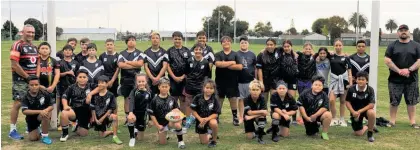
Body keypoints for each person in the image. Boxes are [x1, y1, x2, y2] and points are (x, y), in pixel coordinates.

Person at [384, 24, 420, 128]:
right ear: (398, 33)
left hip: (412, 79)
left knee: (411, 101)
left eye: (405, 30)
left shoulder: (416, 45)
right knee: (394, 101)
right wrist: (399, 71)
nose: (403, 32)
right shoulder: (392, 45)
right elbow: (387, 60)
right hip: (395, 79)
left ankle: (413, 122)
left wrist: (409, 70)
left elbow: (419, 61)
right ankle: (392, 121)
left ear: (409, 32)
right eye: (401, 30)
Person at [9, 24, 39, 140]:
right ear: (22, 32)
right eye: (28, 32)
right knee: (18, 103)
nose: (31, 34)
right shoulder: (17, 45)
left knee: (32, 103)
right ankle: (12, 130)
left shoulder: (34, 47)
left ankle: (30, 127)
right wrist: (28, 78)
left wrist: (35, 78)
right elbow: (14, 65)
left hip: (32, 81)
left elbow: (36, 64)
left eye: (32, 32)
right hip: (21, 80)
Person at [147, 77, 186, 149]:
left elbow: (177, 110)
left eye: (166, 87)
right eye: (162, 87)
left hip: (170, 122)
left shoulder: (172, 99)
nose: (164, 88)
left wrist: (177, 111)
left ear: (169, 87)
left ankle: (180, 141)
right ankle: (165, 133)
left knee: (177, 124)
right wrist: (158, 125)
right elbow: (152, 115)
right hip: (161, 124)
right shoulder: (154, 100)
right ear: (159, 87)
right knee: (163, 143)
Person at [60, 70, 97, 141]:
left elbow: (101, 87)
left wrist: (90, 94)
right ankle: (65, 134)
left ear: (87, 78)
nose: (82, 79)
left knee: (83, 134)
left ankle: (77, 126)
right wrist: (65, 105)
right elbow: (64, 96)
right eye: (80, 77)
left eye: (84, 77)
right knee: (64, 113)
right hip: (74, 110)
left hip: (86, 112)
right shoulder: (71, 87)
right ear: (76, 78)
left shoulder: (91, 85)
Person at [214, 36, 243, 126]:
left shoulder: (236, 54)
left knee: (233, 99)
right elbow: (218, 64)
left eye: (228, 41)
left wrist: (225, 64)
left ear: (231, 42)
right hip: (220, 81)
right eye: (224, 41)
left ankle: (234, 117)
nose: (226, 43)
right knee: (219, 99)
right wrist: (232, 62)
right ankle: (216, 117)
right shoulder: (218, 54)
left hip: (232, 81)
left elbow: (240, 67)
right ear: (221, 43)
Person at [117, 35, 144, 125]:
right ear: (126, 42)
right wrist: (134, 65)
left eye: (133, 40)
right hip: (125, 79)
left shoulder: (140, 53)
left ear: (135, 42)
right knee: (127, 99)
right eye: (129, 40)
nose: (131, 41)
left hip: (137, 79)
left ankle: (136, 117)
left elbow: (140, 64)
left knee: (137, 98)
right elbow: (120, 65)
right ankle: (127, 117)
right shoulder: (122, 53)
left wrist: (128, 62)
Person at [21, 75, 54, 144]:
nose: (34, 86)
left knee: (46, 114)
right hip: (31, 119)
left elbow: (51, 106)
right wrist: (40, 111)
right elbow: (24, 111)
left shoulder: (44, 93)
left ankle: (45, 136)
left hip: (41, 116)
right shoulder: (25, 96)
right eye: (31, 85)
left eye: (36, 84)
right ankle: (37, 129)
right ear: (28, 85)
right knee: (33, 138)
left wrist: (46, 110)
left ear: (39, 85)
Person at [184, 43, 210, 129]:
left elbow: (207, 75)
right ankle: (188, 120)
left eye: (200, 49)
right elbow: (186, 73)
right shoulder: (189, 60)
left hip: (200, 87)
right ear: (193, 51)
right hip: (190, 86)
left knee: (201, 104)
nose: (198, 51)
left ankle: (200, 120)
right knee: (188, 104)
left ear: (202, 51)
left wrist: (204, 86)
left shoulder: (206, 62)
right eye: (196, 49)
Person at [90, 75, 122, 144]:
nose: (100, 84)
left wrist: (102, 118)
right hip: (97, 117)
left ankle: (115, 136)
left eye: (102, 82)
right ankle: (112, 131)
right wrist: (95, 119)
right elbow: (93, 108)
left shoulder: (110, 95)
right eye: (99, 82)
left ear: (107, 84)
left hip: (106, 116)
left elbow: (111, 108)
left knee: (114, 117)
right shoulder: (95, 95)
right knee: (102, 135)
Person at [167, 31, 190, 127]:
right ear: (173, 39)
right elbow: (167, 65)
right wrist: (174, 77)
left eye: (179, 39)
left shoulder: (187, 51)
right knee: (174, 99)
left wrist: (184, 76)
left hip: (184, 79)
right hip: (173, 79)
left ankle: (184, 118)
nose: (177, 40)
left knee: (183, 99)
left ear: (182, 39)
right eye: (175, 39)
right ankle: (175, 118)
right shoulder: (169, 51)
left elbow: (190, 65)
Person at [345, 71, 376, 142]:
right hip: (355, 112)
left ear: (367, 81)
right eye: (359, 79)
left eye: (363, 79)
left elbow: (371, 105)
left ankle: (370, 134)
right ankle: (367, 126)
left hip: (365, 110)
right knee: (358, 133)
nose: (361, 81)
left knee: (372, 113)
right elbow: (347, 102)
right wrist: (353, 112)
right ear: (356, 80)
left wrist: (360, 111)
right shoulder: (351, 89)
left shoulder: (370, 89)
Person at [297, 76, 332, 140]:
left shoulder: (324, 95)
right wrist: (305, 117)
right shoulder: (305, 93)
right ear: (311, 85)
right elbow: (300, 105)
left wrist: (315, 115)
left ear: (322, 87)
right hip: (308, 117)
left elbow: (325, 107)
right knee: (311, 134)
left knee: (328, 114)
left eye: (320, 85)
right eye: (316, 84)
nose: (318, 86)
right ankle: (316, 125)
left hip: (318, 115)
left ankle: (324, 133)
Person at [328, 39, 353, 127]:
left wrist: (350, 83)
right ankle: (334, 118)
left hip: (344, 81)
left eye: (340, 45)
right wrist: (328, 51)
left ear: (342, 46)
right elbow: (320, 54)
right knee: (331, 100)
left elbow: (349, 71)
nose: (338, 47)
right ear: (334, 46)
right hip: (334, 81)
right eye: (336, 45)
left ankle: (342, 119)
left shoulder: (346, 57)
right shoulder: (330, 55)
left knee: (343, 101)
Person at [190, 79, 220, 148]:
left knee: (214, 123)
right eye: (207, 88)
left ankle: (214, 140)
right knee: (204, 142)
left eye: (211, 88)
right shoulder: (197, 97)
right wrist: (200, 119)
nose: (209, 90)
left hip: (210, 119)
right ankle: (210, 134)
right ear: (203, 88)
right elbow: (193, 110)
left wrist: (206, 119)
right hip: (200, 121)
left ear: (214, 90)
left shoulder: (215, 99)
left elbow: (216, 114)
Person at [57, 45, 80, 130]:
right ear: (63, 52)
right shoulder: (59, 63)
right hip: (62, 86)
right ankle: (62, 122)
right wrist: (67, 73)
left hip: (73, 86)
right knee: (63, 104)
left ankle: (74, 122)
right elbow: (57, 74)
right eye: (66, 50)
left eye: (69, 50)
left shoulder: (76, 63)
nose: (68, 52)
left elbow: (78, 75)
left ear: (72, 52)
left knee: (74, 103)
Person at [126, 73, 153, 147]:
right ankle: (132, 137)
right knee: (130, 118)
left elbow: (151, 106)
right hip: (134, 113)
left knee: (140, 138)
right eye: (139, 81)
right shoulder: (134, 91)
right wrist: (131, 112)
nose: (141, 83)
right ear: (136, 82)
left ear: (146, 81)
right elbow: (131, 102)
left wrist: (150, 119)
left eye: (143, 81)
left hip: (143, 115)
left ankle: (136, 130)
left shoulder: (149, 92)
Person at [237, 36, 257, 124]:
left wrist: (256, 79)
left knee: (251, 99)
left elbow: (256, 68)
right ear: (239, 44)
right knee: (241, 99)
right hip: (239, 81)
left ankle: (251, 115)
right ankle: (241, 116)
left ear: (248, 44)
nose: (244, 44)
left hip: (250, 81)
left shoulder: (252, 54)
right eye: (242, 42)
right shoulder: (236, 54)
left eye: (245, 42)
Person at [144, 32, 168, 99]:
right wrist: (152, 78)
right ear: (150, 39)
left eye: (157, 38)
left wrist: (157, 78)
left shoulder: (164, 52)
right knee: (150, 98)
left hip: (161, 80)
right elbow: (146, 67)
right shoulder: (146, 52)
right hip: (150, 80)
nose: (155, 39)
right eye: (153, 38)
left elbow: (164, 66)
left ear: (159, 39)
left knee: (161, 98)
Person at [256, 38, 281, 103]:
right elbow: (259, 69)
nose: (269, 46)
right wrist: (261, 82)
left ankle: (273, 113)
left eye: (271, 45)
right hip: (264, 81)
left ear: (275, 45)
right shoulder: (261, 55)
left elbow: (288, 47)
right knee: (263, 102)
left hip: (275, 81)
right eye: (268, 45)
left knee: (274, 103)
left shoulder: (279, 51)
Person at [243, 80, 267, 144]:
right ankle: (256, 131)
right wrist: (261, 111)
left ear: (260, 91)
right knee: (249, 137)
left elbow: (265, 113)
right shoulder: (246, 99)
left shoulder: (262, 98)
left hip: (251, 117)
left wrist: (251, 117)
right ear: (249, 90)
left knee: (262, 116)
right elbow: (249, 113)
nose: (255, 92)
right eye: (253, 90)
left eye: (257, 90)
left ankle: (260, 136)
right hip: (247, 117)